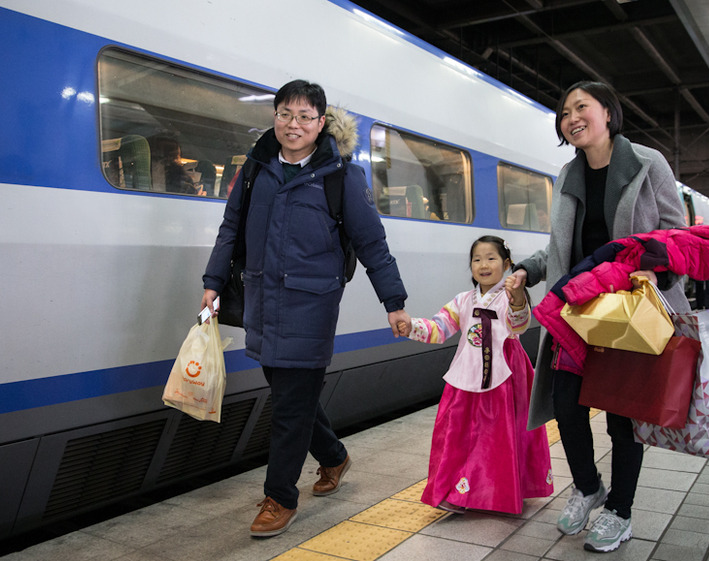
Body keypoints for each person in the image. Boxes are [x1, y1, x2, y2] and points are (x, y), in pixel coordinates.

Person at [200, 80, 410, 537]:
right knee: (291, 395)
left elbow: (372, 242)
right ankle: (334, 457)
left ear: (320, 124)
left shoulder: (341, 177)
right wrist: (213, 282)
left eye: (304, 117)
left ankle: (280, 498)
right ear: (274, 117)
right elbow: (231, 226)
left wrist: (394, 302)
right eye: (285, 114)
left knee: (289, 407)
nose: (293, 125)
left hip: (311, 306)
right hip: (262, 300)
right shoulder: (256, 169)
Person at [510, 81, 689, 553]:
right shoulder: (568, 175)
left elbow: (676, 234)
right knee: (566, 406)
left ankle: (621, 511)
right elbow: (561, 248)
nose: (572, 117)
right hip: (578, 311)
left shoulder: (649, 164)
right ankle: (589, 487)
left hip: (629, 309)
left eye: (581, 107)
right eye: (565, 111)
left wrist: (654, 272)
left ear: (608, 112)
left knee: (622, 416)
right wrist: (526, 270)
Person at [397, 236, 553, 514]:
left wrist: (518, 298)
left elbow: (519, 324)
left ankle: (498, 492)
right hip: (465, 377)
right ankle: (455, 492)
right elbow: (438, 328)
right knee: (458, 436)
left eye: (491, 258)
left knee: (498, 438)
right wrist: (410, 326)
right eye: (477, 259)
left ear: (506, 264)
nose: (483, 265)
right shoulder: (463, 301)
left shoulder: (511, 297)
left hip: (504, 378)